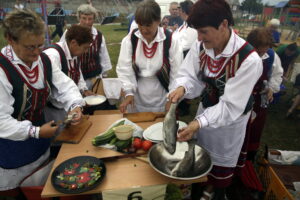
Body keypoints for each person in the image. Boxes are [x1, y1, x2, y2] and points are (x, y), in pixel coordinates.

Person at [168, 0, 262, 199]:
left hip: (229, 125)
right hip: (205, 112)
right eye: (197, 32)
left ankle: (217, 193)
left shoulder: (248, 60)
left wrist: (197, 123)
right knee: (200, 165)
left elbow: (230, 107)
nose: (199, 38)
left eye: (204, 32)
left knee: (220, 174)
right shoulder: (201, 46)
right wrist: (182, 87)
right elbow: (189, 74)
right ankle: (199, 192)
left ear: (224, 25)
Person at [0, 9, 83, 194]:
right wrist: (35, 131)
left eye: (40, 45)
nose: (37, 52)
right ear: (10, 40)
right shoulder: (2, 69)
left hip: (40, 144)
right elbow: (1, 121)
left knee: (42, 188)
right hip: (11, 150)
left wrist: (75, 106)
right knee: (20, 193)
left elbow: (65, 86)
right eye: (30, 47)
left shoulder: (43, 59)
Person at [117, 0, 183, 113]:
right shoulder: (130, 40)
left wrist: (171, 98)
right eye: (140, 24)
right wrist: (128, 92)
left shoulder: (171, 40)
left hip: (163, 97)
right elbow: (124, 69)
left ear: (158, 21)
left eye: (148, 25)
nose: (143, 29)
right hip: (136, 98)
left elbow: (177, 73)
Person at [246, 27, 283, 161]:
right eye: (258, 51)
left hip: (259, 99)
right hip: (243, 98)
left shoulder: (272, 56)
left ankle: (249, 158)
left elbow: (277, 74)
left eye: (264, 51)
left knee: (255, 129)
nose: (261, 55)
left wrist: (272, 88)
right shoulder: (242, 54)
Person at [43, 24, 94, 122]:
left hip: (68, 103)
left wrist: (83, 90)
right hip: (53, 109)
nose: (86, 51)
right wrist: (75, 103)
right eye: (85, 48)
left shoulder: (74, 53)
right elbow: (61, 84)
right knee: (59, 134)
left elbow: (77, 74)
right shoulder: (53, 56)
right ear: (74, 43)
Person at [60, 4, 112, 90]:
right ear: (79, 18)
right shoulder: (69, 33)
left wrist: (104, 76)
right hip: (74, 78)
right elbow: (61, 54)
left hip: (94, 77)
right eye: (84, 18)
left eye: (90, 19)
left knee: (96, 101)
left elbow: (104, 58)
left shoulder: (98, 36)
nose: (87, 22)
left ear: (94, 19)